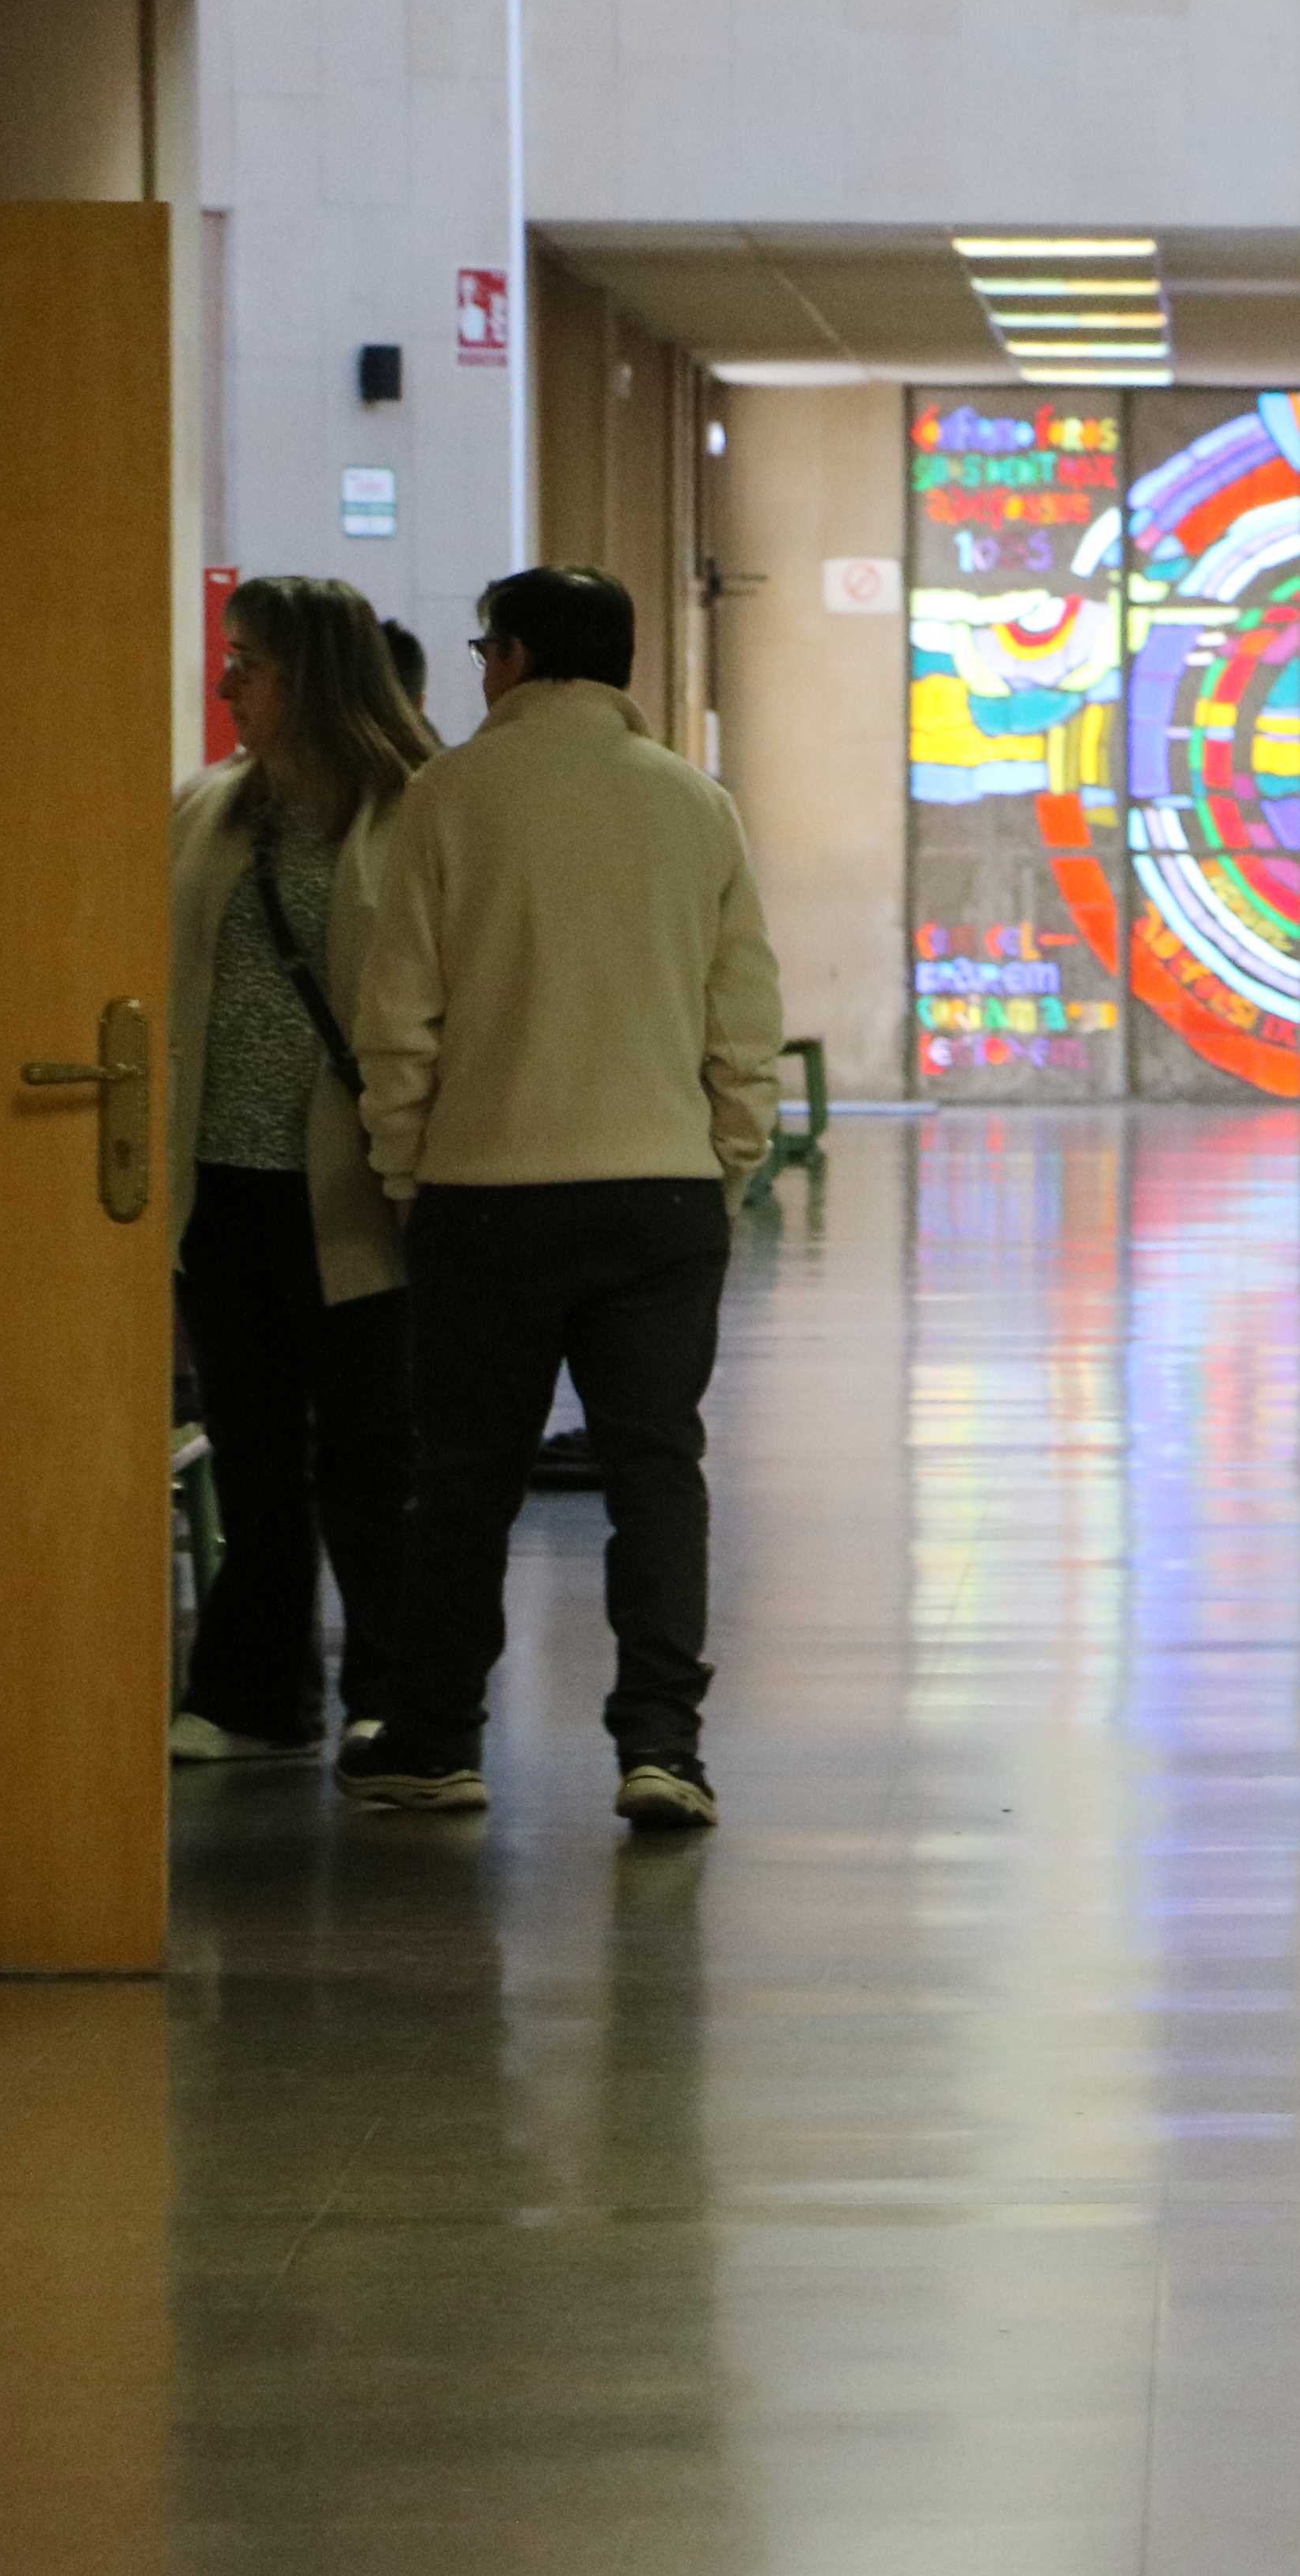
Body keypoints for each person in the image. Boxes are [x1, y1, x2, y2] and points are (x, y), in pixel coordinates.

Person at [348, 565, 785, 1829]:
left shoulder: (449, 794)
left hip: (485, 1193)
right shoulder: (695, 803)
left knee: (464, 1479)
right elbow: (742, 1012)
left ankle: (436, 1739)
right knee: (657, 1472)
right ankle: (662, 1747)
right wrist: (725, 1161)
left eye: (486, 648)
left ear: (516, 656)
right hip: (661, 1194)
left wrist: (405, 1168)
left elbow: (399, 1015)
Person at [165, 576, 443, 1764]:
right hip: (222, 1178)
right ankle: (252, 1695)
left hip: (359, 1182)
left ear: (316, 677)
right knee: (255, 1447)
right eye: (230, 658)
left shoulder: (416, 809)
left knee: (373, 1450)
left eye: (252, 663)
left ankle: (395, 1689)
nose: (227, 682)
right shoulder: (208, 807)